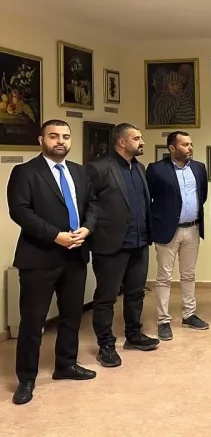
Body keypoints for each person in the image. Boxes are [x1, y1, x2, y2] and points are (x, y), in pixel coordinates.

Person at [7, 120, 99, 405]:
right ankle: (26, 378)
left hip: (76, 255)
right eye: (54, 136)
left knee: (72, 316)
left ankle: (66, 365)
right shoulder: (25, 172)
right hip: (39, 256)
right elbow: (20, 211)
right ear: (41, 140)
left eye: (65, 136)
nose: (61, 141)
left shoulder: (80, 172)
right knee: (32, 321)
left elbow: (93, 204)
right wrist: (55, 236)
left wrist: (87, 228)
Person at [87, 123, 159, 368]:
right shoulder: (98, 168)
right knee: (106, 298)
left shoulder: (139, 167)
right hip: (111, 244)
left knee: (136, 293)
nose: (142, 142)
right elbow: (89, 205)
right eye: (137, 138)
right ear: (121, 142)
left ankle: (133, 334)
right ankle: (105, 344)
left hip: (139, 242)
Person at [146, 131, 209, 340]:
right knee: (164, 277)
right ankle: (163, 320)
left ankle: (189, 314)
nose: (190, 148)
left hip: (192, 229)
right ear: (172, 148)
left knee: (189, 275)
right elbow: (148, 199)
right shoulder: (156, 169)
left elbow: (202, 196)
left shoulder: (199, 168)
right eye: (184, 145)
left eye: (191, 144)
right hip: (167, 230)